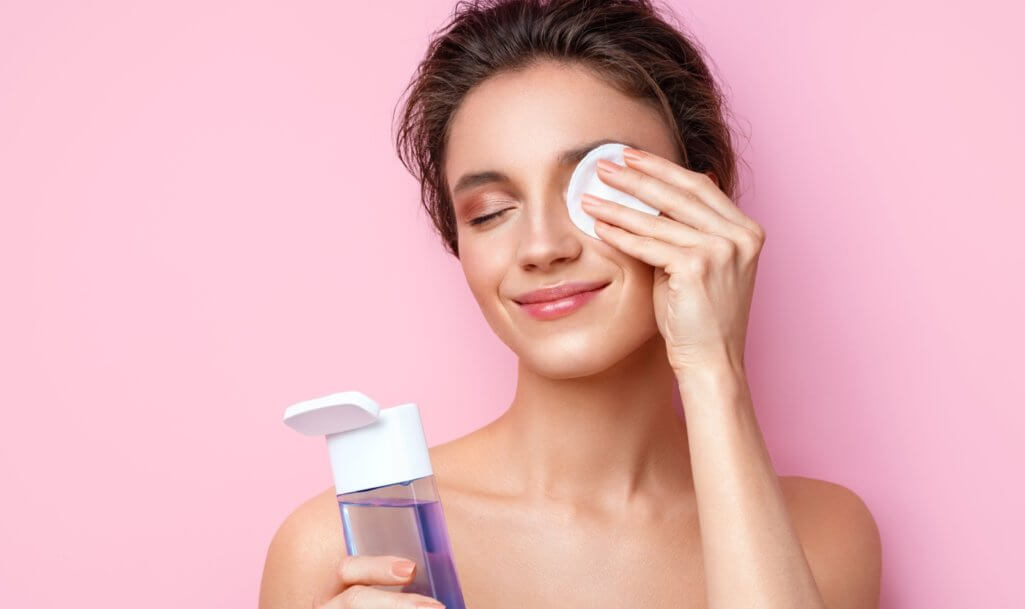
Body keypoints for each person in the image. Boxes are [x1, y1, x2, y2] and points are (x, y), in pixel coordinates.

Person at [259, 1, 882, 607]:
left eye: (593, 189)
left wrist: (715, 368)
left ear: (699, 205)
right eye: (491, 212)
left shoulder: (823, 534)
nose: (540, 247)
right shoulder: (342, 551)